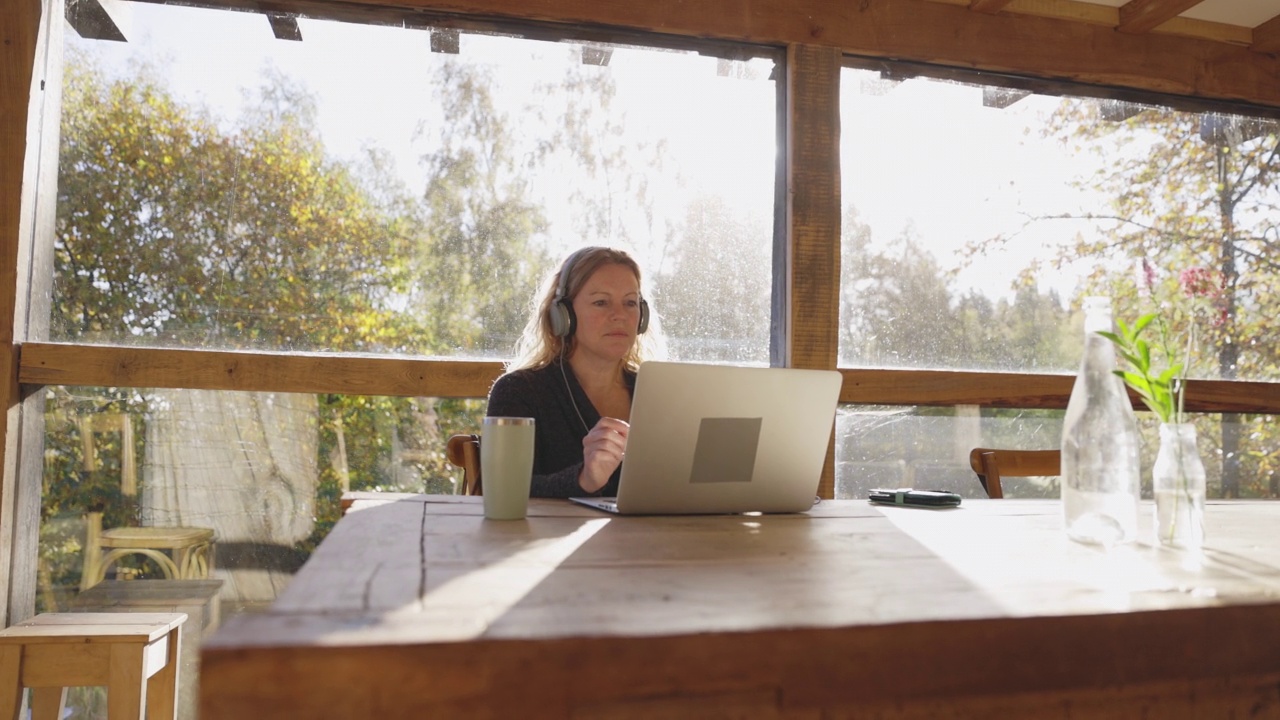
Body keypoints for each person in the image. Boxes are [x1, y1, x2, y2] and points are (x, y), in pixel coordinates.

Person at [486, 247, 664, 498]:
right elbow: (502, 490)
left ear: (642, 316)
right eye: (601, 302)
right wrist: (584, 479)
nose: (619, 315)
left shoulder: (659, 395)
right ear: (564, 315)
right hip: (550, 537)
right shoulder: (520, 391)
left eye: (630, 302)